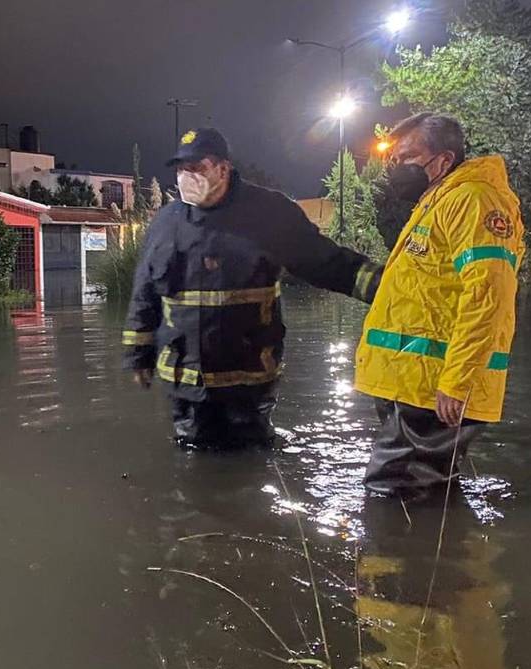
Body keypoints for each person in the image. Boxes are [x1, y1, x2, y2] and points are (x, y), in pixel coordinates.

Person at [123, 128, 382, 448]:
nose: (186, 177)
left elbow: (324, 262)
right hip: (186, 382)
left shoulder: (269, 212)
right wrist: (138, 353)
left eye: (197, 168)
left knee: (252, 460)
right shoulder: (166, 222)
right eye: (181, 169)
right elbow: (144, 291)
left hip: (249, 381)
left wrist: (387, 287)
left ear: (223, 168)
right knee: (193, 461)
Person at [355, 113, 525, 497]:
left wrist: (457, 380)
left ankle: (397, 556)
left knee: (396, 492)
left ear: (444, 160)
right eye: (394, 160)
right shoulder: (440, 199)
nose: (397, 169)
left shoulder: (473, 200)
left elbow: (487, 296)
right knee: (419, 490)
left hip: (436, 389)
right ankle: (436, 554)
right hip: (415, 384)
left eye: (407, 158)